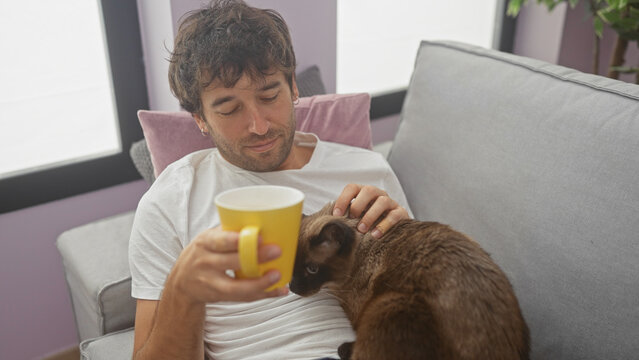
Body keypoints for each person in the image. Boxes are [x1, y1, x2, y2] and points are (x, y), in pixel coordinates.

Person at [129, 1, 411, 359]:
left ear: (293, 87)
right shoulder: (170, 201)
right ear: (199, 118)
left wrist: (404, 246)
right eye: (229, 109)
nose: (259, 126)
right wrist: (183, 289)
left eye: (269, 95)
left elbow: (428, 311)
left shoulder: (370, 171)